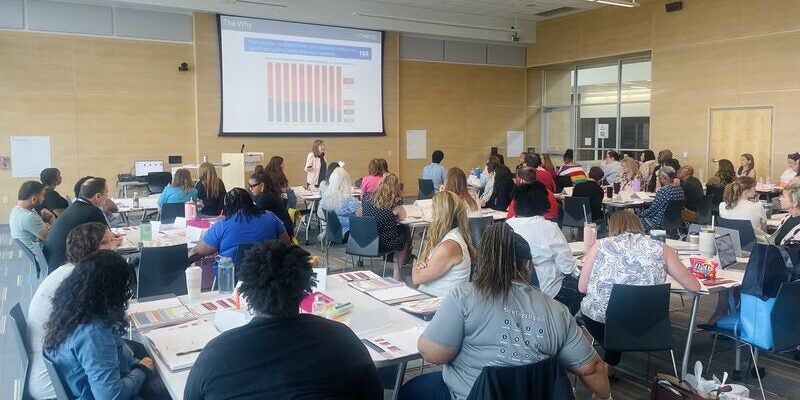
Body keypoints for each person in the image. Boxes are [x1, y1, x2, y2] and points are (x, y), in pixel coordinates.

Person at [407, 223, 611, 400]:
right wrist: (603, 396)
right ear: (528, 266)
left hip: (469, 395)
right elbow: (592, 367)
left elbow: (433, 354)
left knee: (410, 390)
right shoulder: (557, 312)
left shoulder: (463, 296)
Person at [185, 241, 382, 399]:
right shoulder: (343, 339)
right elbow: (374, 394)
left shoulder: (216, 354)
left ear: (246, 291)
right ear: (305, 288)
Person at [579, 211, 701, 375]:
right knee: (626, 309)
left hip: (602, 325)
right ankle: (610, 363)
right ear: (639, 225)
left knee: (608, 306)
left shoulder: (600, 246)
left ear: (612, 227)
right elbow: (694, 287)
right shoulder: (661, 248)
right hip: (648, 323)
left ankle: (608, 363)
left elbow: (582, 288)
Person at [44, 250, 155, 400]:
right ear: (111, 291)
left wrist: (139, 367)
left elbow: (118, 356)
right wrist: (142, 370)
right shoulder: (93, 332)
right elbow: (111, 396)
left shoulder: (70, 313)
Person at [27, 223, 119, 399]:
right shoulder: (79, 283)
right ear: (90, 251)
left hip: (54, 362)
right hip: (57, 382)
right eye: (106, 243)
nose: (114, 246)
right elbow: (97, 332)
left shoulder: (69, 272)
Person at [507, 182, 582, 314]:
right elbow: (567, 267)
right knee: (582, 289)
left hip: (513, 292)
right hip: (548, 291)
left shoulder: (507, 226)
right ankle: (569, 324)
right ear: (544, 202)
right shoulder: (549, 228)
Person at [189, 188, 290, 262]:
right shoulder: (270, 217)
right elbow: (286, 243)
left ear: (227, 206)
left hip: (232, 277)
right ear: (250, 201)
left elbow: (198, 252)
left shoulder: (222, 225)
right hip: (267, 273)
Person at [412, 191, 475, 297]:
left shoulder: (449, 246)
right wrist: (420, 266)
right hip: (435, 301)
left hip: (437, 305)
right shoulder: (452, 237)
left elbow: (417, 279)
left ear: (440, 214)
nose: (431, 213)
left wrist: (415, 268)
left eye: (433, 209)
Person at [44, 178, 109, 272]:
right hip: (68, 268)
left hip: (55, 264)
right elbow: (108, 238)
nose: (107, 197)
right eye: (106, 194)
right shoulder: (92, 212)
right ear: (98, 196)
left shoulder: (74, 207)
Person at [360, 173, 410, 280]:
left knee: (396, 233)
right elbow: (403, 216)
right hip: (383, 242)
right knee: (404, 232)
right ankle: (397, 273)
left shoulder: (367, 198)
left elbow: (361, 213)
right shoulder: (395, 203)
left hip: (366, 240)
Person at [10, 181, 52, 271]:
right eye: (42, 195)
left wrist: (45, 225)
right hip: (46, 255)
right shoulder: (28, 217)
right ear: (33, 199)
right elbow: (51, 238)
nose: (44, 198)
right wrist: (52, 218)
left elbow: (43, 230)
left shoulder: (16, 210)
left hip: (40, 251)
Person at [719, 176, 768, 240]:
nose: (755, 190)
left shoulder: (722, 206)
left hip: (732, 243)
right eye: (754, 188)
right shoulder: (757, 206)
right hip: (756, 245)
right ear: (747, 191)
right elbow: (764, 229)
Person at [249, 173, 294, 238]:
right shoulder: (268, 195)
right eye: (249, 185)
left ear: (262, 185)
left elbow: (253, 217)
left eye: (252, 186)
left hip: (282, 235)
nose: (250, 189)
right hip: (283, 230)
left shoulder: (266, 198)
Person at [640, 167, 685, 231]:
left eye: (658, 177)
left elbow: (652, 210)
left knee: (637, 218)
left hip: (659, 222)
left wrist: (640, 214)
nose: (657, 179)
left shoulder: (664, 191)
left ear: (663, 178)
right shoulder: (680, 189)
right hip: (675, 221)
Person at [319, 168, 360, 235]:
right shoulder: (349, 200)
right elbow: (362, 217)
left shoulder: (324, 199)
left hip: (332, 232)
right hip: (349, 232)